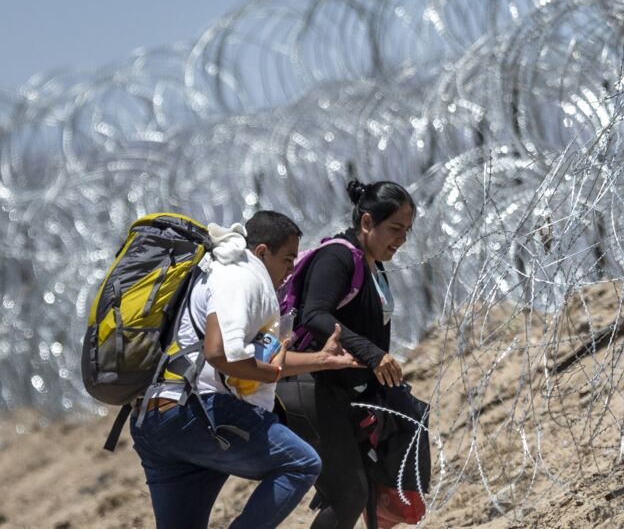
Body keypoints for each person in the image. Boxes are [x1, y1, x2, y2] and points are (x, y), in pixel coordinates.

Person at [130, 211, 362, 529]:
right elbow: (219, 352)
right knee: (301, 463)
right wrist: (271, 375)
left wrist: (321, 359)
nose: (292, 269)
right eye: (288, 259)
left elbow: (253, 358)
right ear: (262, 252)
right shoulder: (240, 275)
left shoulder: (213, 272)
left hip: (155, 419)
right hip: (197, 413)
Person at [286, 179, 416, 529]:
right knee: (349, 496)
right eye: (395, 228)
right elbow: (315, 314)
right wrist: (372, 354)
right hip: (314, 388)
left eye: (407, 231)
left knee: (367, 491)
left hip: (347, 394)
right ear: (367, 222)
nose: (401, 239)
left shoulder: (375, 265)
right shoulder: (338, 256)